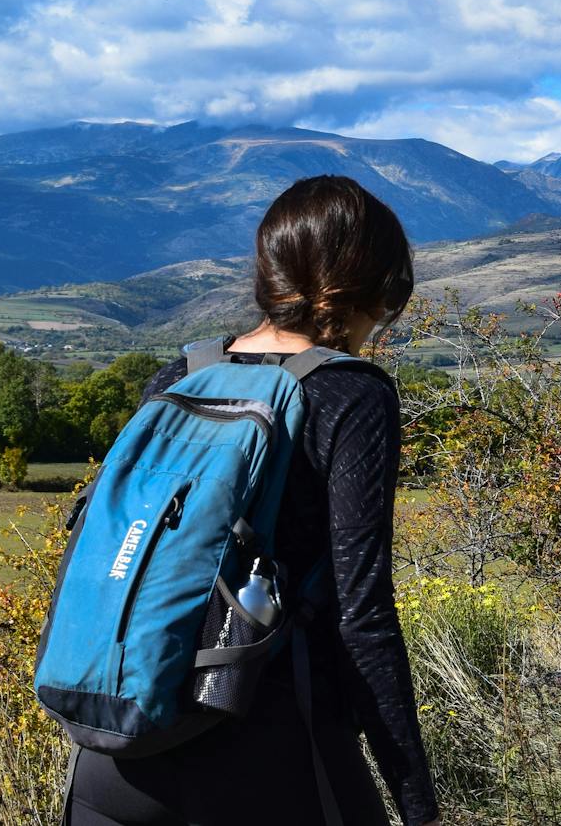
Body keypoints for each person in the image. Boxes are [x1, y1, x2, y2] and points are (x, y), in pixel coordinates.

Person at [68, 175, 440, 826]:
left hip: (116, 752)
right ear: (370, 286)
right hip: (270, 750)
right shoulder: (351, 396)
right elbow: (364, 615)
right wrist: (417, 802)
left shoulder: (180, 377)